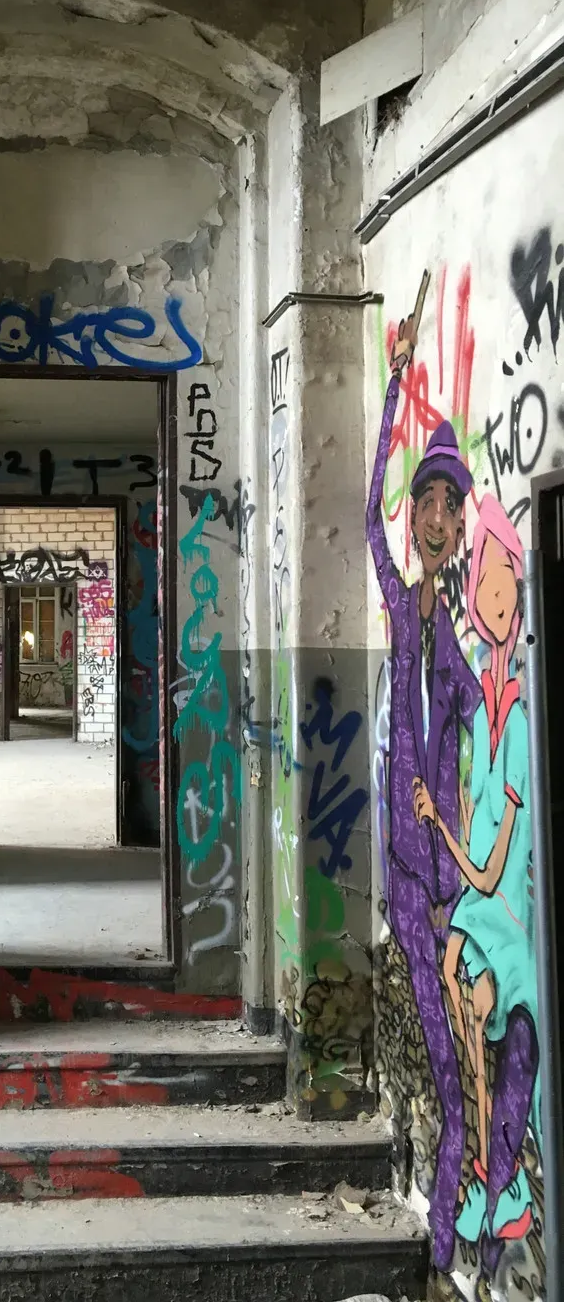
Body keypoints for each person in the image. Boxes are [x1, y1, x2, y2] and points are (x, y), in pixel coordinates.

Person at [366, 309, 481, 1271]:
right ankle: (448, 1212)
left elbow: (483, 724)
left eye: (449, 505)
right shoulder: (404, 603)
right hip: (405, 864)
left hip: (443, 864)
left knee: (458, 1048)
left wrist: (467, 818)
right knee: (439, 1045)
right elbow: (365, 514)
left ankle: (449, 1221)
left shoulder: (460, 636)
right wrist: (395, 386)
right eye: (425, 504)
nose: (432, 520)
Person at [414, 495, 540, 1260]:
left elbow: (495, 866)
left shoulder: (518, 715)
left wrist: (440, 832)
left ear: (519, 593)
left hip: (507, 910)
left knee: (474, 982)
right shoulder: (487, 706)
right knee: (454, 970)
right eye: (485, 586)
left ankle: (504, 1183)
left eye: (505, 586)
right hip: (478, 902)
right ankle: (495, 1173)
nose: (494, 600)